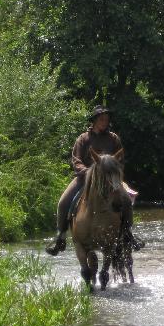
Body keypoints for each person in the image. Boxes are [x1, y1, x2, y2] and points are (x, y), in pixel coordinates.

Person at [45, 105, 142, 255]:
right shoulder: (83, 139)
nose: (105, 122)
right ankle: (60, 236)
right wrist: (88, 173)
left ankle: (128, 234)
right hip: (85, 178)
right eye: (102, 119)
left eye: (107, 119)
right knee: (63, 201)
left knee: (126, 201)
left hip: (110, 180)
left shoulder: (114, 139)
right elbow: (76, 160)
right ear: (95, 120)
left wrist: (115, 174)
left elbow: (120, 160)